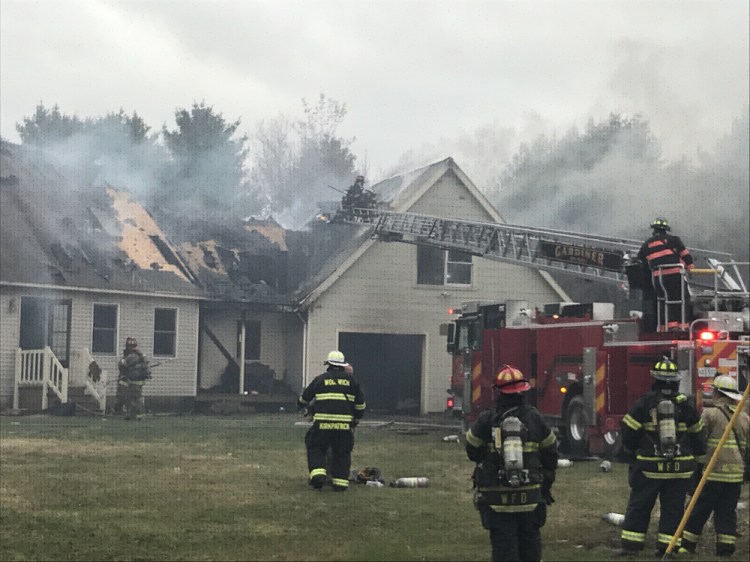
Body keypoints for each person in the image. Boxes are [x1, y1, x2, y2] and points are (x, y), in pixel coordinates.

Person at [465, 365, 558, 562]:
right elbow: (551, 453)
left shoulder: (487, 419)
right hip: (530, 497)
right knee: (530, 544)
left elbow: (472, 450)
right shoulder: (535, 418)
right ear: (523, 391)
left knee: (503, 547)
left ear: (498, 391)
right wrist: (547, 483)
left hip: (496, 499)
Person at [616, 358, 706, 556]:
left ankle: (631, 547)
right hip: (679, 469)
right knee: (673, 510)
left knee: (640, 505)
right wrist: (697, 456)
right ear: (676, 380)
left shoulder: (644, 403)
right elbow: (699, 436)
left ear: (654, 379)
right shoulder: (687, 405)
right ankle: (668, 548)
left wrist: (632, 452)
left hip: (649, 468)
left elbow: (628, 432)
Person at [681, 374, 749, 557]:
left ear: (718, 393)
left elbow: (699, 440)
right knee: (726, 512)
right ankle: (726, 548)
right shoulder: (744, 418)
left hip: (714, 472)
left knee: (699, 509)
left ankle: (687, 544)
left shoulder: (710, 414)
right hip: (735, 475)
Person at [297, 351, 366, 491]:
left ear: (328, 364)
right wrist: (356, 418)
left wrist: (300, 405)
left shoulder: (320, 379)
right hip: (344, 427)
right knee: (342, 453)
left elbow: (304, 398)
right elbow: (361, 405)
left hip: (322, 425)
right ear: (342, 366)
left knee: (315, 447)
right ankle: (340, 484)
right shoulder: (352, 382)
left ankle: (317, 476)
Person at [637, 217, 695, 332]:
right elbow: (686, 256)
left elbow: (641, 261)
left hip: (659, 279)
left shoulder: (647, 244)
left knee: (663, 300)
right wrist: (691, 270)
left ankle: (666, 327)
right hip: (675, 276)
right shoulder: (674, 240)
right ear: (666, 229)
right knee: (682, 299)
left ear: (654, 230)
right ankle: (683, 326)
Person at [116, 337, 151, 420]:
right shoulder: (142, 356)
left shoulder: (131, 357)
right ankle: (135, 415)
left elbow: (122, 366)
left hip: (131, 381)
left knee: (130, 398)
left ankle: (133, 415)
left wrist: (122, 362)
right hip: (139, 382)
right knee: (136, 398)